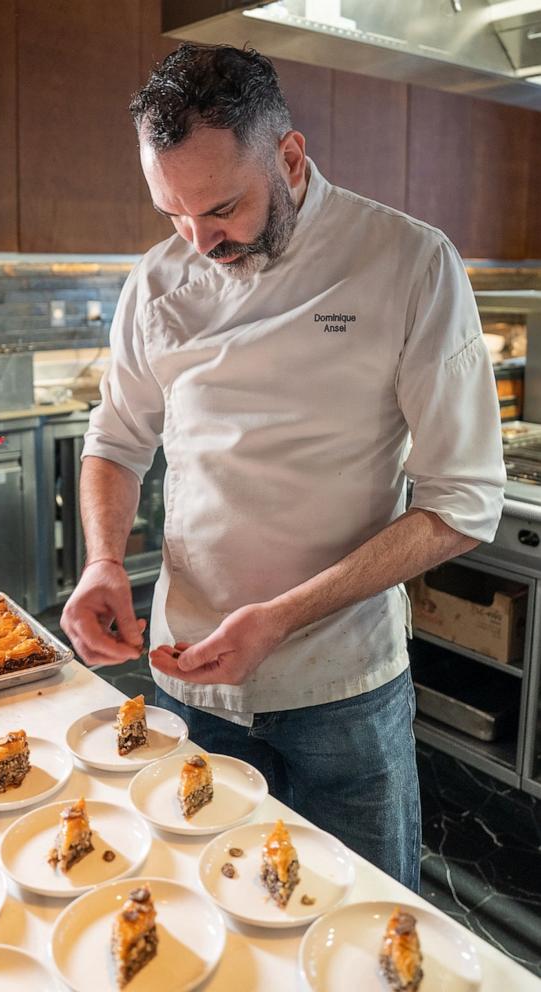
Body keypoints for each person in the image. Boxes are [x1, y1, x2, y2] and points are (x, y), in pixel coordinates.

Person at [61, 42, 505, 891]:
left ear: (290, 156)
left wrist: (282, 616)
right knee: (200, 913)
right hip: (184, 672)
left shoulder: (408, 262)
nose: (200, 240)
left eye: (221, 207)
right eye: (171, 215)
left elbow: (461, 501)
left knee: (365, 918)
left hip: (339, 686)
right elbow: (116, 441)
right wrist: (103, 562)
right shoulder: (157, 282)